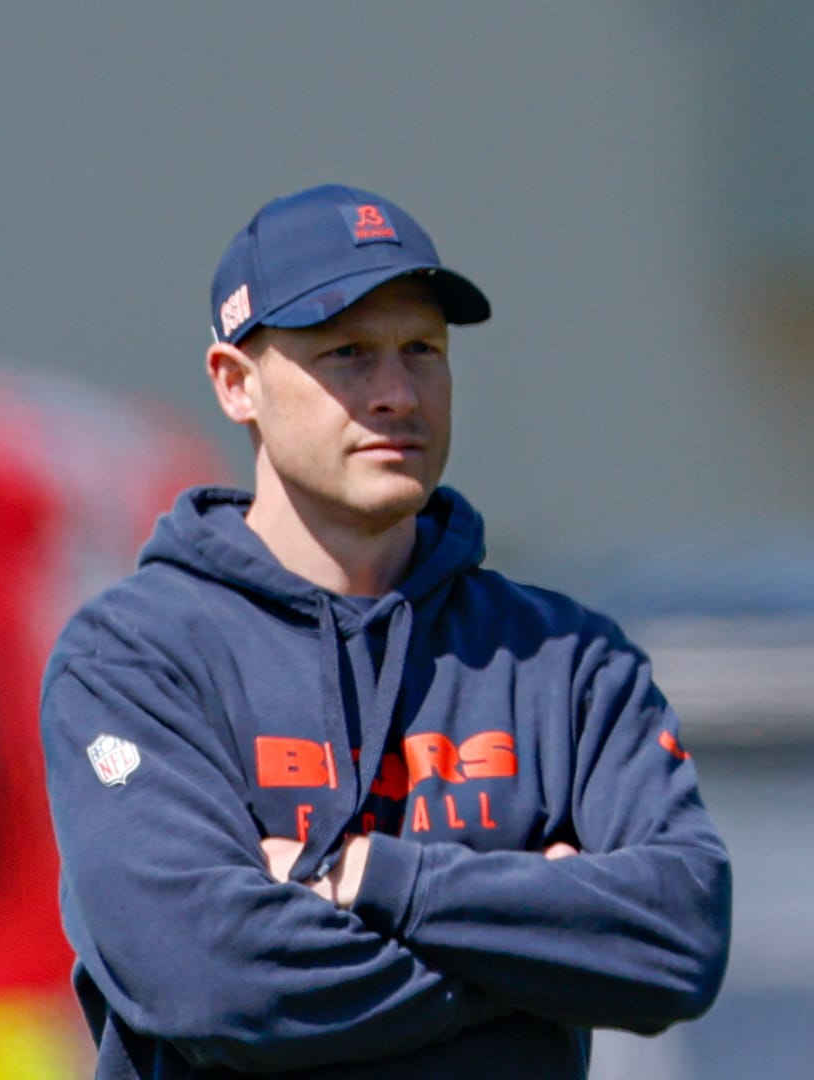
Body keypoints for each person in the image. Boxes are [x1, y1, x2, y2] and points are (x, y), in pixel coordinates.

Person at [41, 184, 731, 1078]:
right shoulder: (135, 657)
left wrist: (370, 880)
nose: (398, 393)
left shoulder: (567, 662)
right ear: (234, 383)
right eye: (348, 354)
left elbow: (677, 940)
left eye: (422, 350)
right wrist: (541, 956)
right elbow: (214, 983)